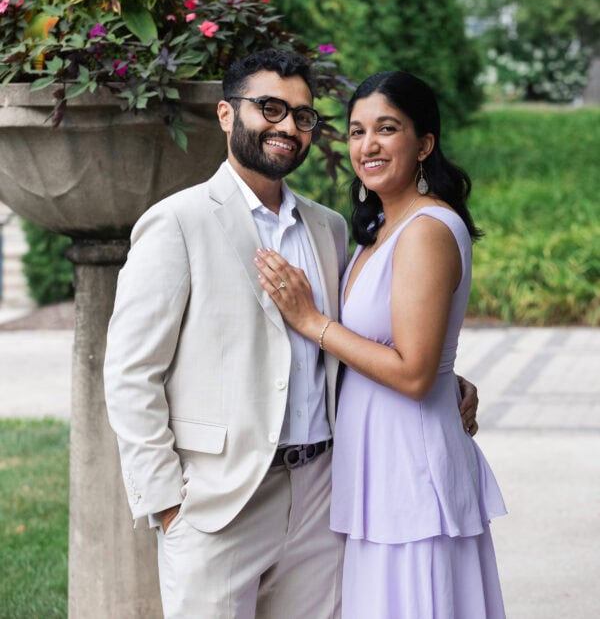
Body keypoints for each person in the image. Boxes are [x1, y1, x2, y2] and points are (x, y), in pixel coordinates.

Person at [104, 50, 479, 619]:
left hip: (324, 498)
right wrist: (168, 506)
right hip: (220, 504)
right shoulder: (177, 222)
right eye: (271, 108)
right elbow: (131, 373)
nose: (288, 127)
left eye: (303, 116)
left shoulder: (329, 229)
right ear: (227, 115)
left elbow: (358, 340)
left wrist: (446, 381)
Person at [256, 69, 506, 619]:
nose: (367, 145)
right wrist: (451, 378)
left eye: (387, 128)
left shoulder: (426, 230)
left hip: (410, 470)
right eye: (355, 131)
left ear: (425, 144)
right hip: (375, 465)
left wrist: (311, 320)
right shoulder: (377, 231)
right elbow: (408, 350)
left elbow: (413, 374)